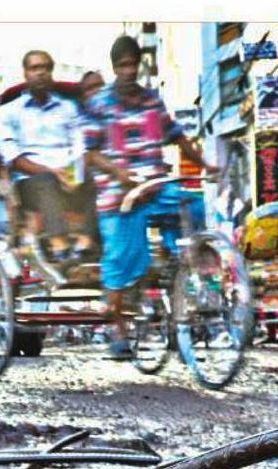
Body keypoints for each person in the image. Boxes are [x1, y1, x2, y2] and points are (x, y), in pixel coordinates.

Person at [83, 34, 214, 360]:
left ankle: (182, 274)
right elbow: (89, 152)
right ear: (115, 67)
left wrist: (206, 164)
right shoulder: (99, 104)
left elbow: (178, 137)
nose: (129, 71)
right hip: (119, 195)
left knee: (193, 205)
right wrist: (118, 173)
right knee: (121, 259)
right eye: (123, 65)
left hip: (157, 187)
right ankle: (117, 328)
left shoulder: (152, 101)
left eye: (133, 65)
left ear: (140, 65)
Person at [0, 49, 88, 262]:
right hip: (30, 182)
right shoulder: (8, 112)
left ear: (51, 73)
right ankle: (59, 243)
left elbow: (79, 145)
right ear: (25, 73)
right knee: (46, 180)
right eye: (35, 68)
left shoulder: (68, 108)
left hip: (69, 176)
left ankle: (86, 241)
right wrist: (54, 172)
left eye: (45, 68)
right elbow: (13, 158)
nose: (40, 73)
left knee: (93, 176)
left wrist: (73, 174)